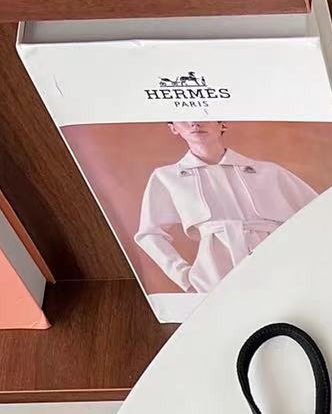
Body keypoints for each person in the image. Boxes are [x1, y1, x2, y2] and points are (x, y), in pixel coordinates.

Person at [134, 121, 318, 294]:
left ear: (222, 123)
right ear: (173, 128)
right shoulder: (167, 177)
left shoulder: (268, 171)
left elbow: (321, 214)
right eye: (183, 118)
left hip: (279, 262)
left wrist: (306, 260)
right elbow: (149, 234)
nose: (194, 123)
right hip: (214, 273)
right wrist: (184, 276)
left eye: (202, 116)